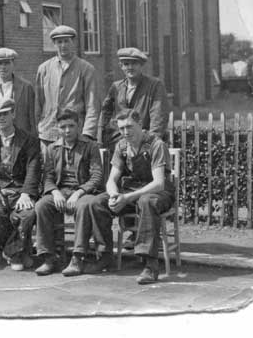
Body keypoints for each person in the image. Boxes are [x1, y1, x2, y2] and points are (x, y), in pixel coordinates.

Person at [69, 109, 175, 284]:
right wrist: (114, 195)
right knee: (96, 202)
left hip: (158, 193)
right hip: (131, 192)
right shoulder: (122, 146)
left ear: (140, 124)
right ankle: (104, 256)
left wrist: (127, 198)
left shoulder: (156, 144)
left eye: (129, 127)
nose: (126, 132)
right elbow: (112, 179)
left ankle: (150, 264)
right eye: (122, 128)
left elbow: (158, 183)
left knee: (146, 201)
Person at [33, 109, 102, 275]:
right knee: (42, 205)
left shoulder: (90, 146)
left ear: (78, 126)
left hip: (83, 192)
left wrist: (79, 192)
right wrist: (54, 192)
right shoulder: (52, 149)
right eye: (63, 127)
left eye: (71, 126)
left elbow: (97, 176)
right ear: (57, 128)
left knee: (84, 206)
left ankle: (77, 258)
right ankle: (49, 258)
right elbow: (48, 176)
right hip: (61, 190)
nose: (67, 130)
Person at [0, 98, 41, 271]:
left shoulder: (29, 140)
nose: (1, 118)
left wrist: (25, 194)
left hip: (21, 191)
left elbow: (33, 169)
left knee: (27, 215)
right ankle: (18, 253)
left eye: (5, 114)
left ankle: (13, 253)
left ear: (13, 114)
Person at [35, 26, 100, 155]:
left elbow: (92, 105)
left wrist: (87, 133)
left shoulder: (86, 69)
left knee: (74, 172)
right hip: (48, 134)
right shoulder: (44, 69)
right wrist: (38, 129)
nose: (63, 45)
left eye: (66, 41)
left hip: (75, 133)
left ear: (73, 42)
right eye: (59, 42)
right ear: (54, 44)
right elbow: (38, 103)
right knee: (49, 171)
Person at [100, 47, 169, 151]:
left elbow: (158, 119)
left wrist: (149, 144)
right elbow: (105, 113)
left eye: (134, 63)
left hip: (145, 142)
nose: (130, 67)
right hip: (120, 143)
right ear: (121, 66)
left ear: (141, 65)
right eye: (126, 64)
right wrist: (101, 138)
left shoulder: (155, 86)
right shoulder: (116, 87)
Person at [0, 47, 37, 138]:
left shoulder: (26, 87)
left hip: (21, 138)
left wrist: (33, 140)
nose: (3, 67)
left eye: (7, 63)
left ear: (13, 64)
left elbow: (33, 118)